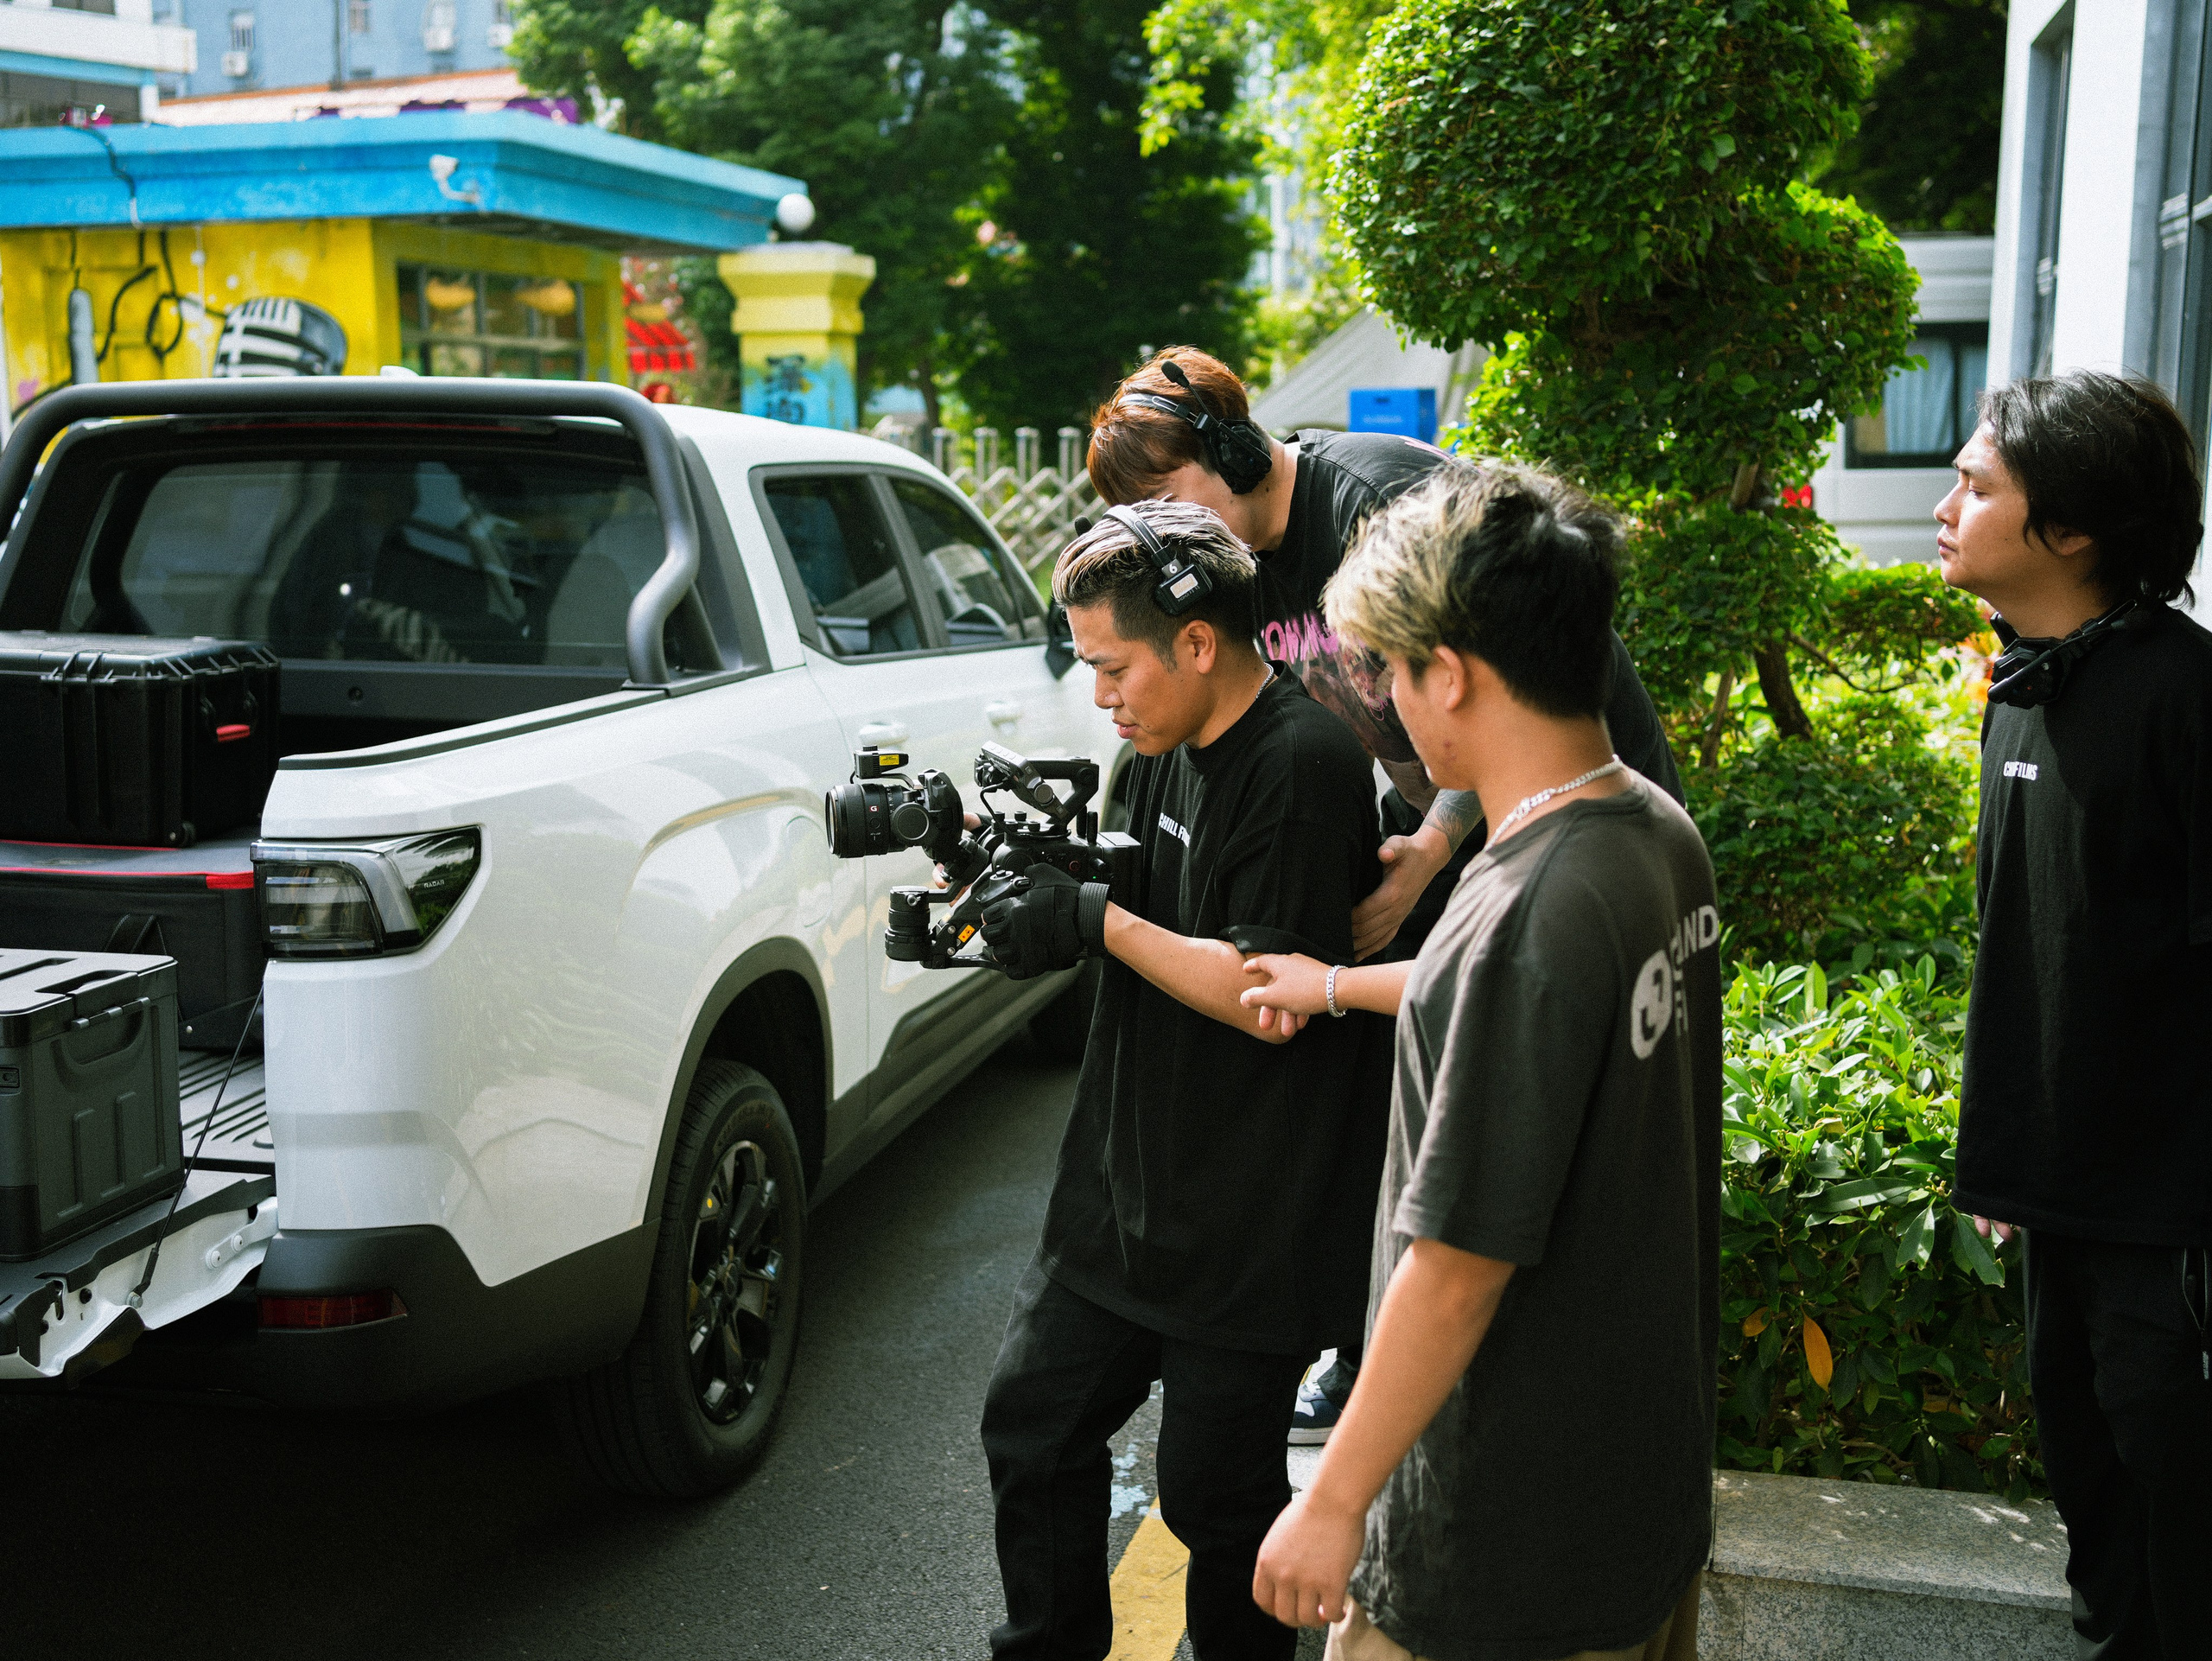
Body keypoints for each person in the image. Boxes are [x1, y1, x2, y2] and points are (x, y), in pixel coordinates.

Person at [1085, 347, 1686, 1441]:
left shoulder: (1378, 506)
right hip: (1459, 811)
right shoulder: (1230, 568)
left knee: (1512, 1095)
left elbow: (1497, 687)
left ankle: (1465, 1356)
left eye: (1164, 497)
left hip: (1535, 800)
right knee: (1418, 1076)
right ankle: (1377, 1339)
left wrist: (1428, 844)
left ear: (1226, 448)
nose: (1166, 536)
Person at [1237, 464, 1721, 1661]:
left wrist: (1335, 1499)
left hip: (1499, 1553)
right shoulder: (1654, 835)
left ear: (1448, 673)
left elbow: (1455, 1266)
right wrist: (1342, 985)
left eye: (1393, 672)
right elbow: (1525, 1015)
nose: (1389, 704)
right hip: (1635, 1502)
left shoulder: (1530, 902)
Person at [976, 500, 1385, 1661]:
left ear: (1197, 644)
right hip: (1117, 1190)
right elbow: (1131, 906)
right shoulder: (1153, 751)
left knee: (1218, 1504)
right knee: (1033, 1429)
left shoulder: (1302, 763)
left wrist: (1097, 921)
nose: (1102, 695)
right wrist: (1037, 900)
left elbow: (1270, 993)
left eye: (1114, 666)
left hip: (1249, 1214)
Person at [1936, 371, 2212, 1660]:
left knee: (2180, 1495)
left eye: (1980, 485)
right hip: (2060, 1191)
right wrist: (2008, 1147)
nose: (1948, 507)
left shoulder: (2183, 696)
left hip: (2170, 1213)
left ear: (2076, 530)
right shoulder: (2023, 683)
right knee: (2094, 1492)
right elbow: (2031, 940)